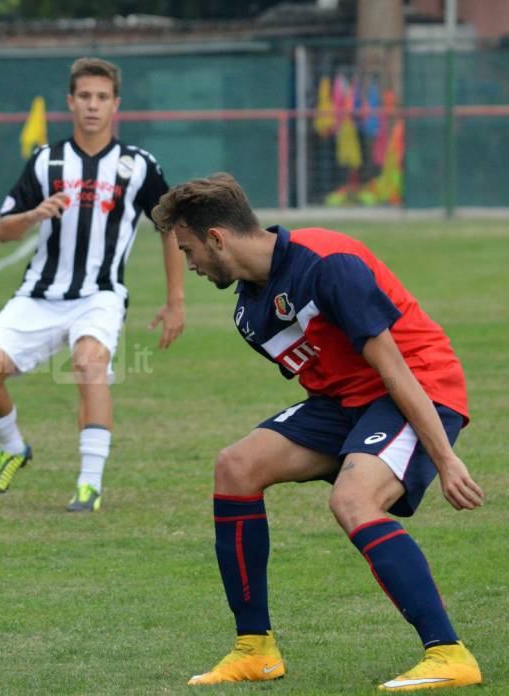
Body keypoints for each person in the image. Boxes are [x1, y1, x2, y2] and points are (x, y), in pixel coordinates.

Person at [152, 173, 484, 691]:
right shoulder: (249, 309)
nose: (188, 264)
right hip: (346, 402)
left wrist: (445, 459)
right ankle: (254, 649)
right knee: (235, 466)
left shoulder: (326, 261)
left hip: (419, 384)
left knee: (353, 500)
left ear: (217, 238)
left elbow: (394, 369)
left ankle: (449, 653)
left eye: (188, 249)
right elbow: (326, 379)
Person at [0, 57, 186, 512]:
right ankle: (12, 448)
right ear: (70, 102)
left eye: (102, 97)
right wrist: (32, 214)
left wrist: (175, 301)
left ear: (116, 105)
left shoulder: (138, 165)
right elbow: (4, 231)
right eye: (85, 97)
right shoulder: (46, 161)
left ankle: (89, 484)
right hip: (39, 294)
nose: (93, 106)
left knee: (89, 365)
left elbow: (170, 228)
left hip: (100, 294)